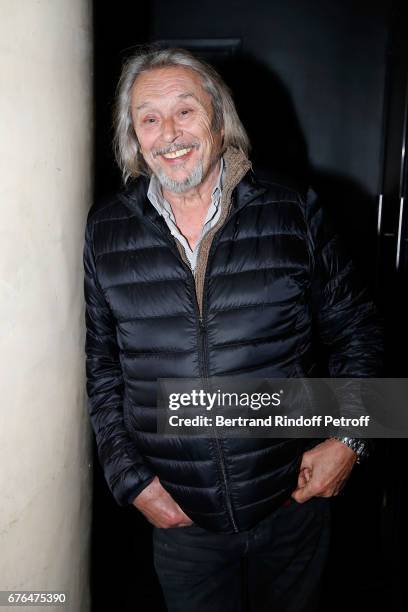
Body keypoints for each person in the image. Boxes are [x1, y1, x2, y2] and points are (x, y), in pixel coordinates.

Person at [83, 48, 382, 612]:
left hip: (293, 502)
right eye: (148, 118)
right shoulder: (105, 231)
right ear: (134, 137)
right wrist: (132, 481)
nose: (168, 133)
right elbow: (102, 371)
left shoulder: (293, 209)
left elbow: (358, 333)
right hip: (180, 520)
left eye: (185, 111)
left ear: (219, 118)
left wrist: (351, 440)